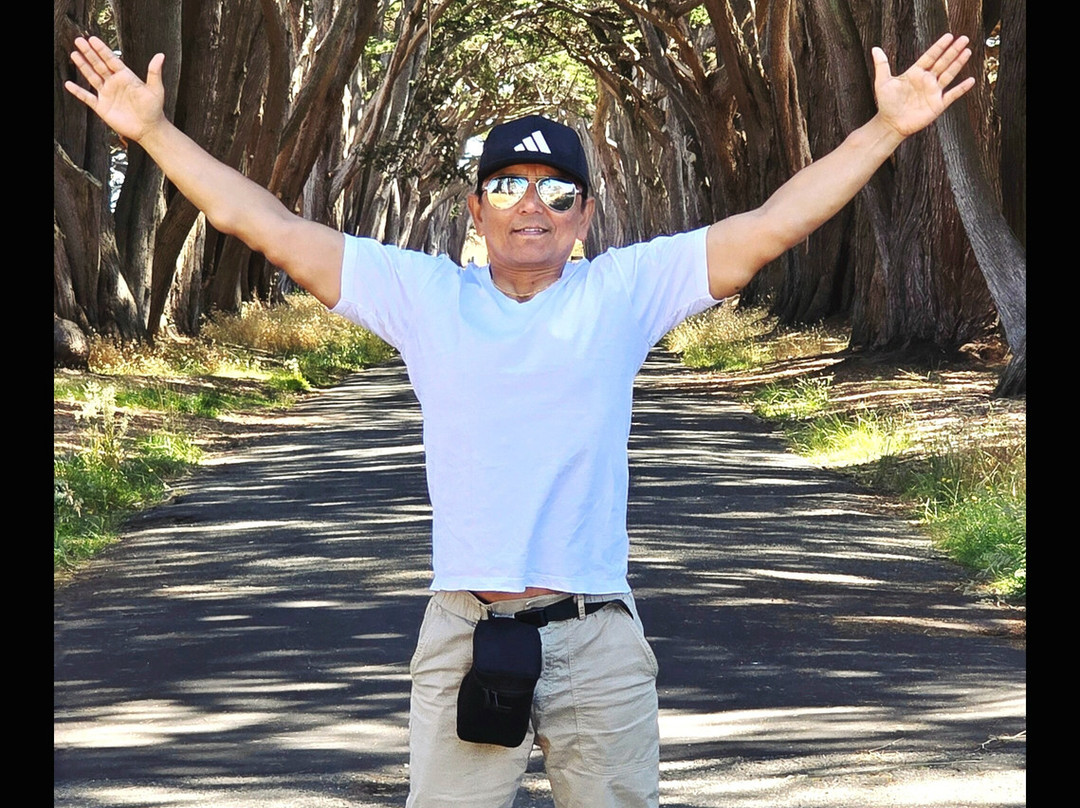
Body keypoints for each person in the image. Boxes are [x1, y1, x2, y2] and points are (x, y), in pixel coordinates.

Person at [66, 30, 975, 808]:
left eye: (556, 191)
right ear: (475, 211)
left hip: (598, 636)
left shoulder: (623, 292)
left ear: (585, 216)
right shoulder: (425, 296)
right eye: (505, 187)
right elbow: (262, 222)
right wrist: (151, 132)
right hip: (463, 632)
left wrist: (888, 128)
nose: (530, 206)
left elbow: (775, 223)